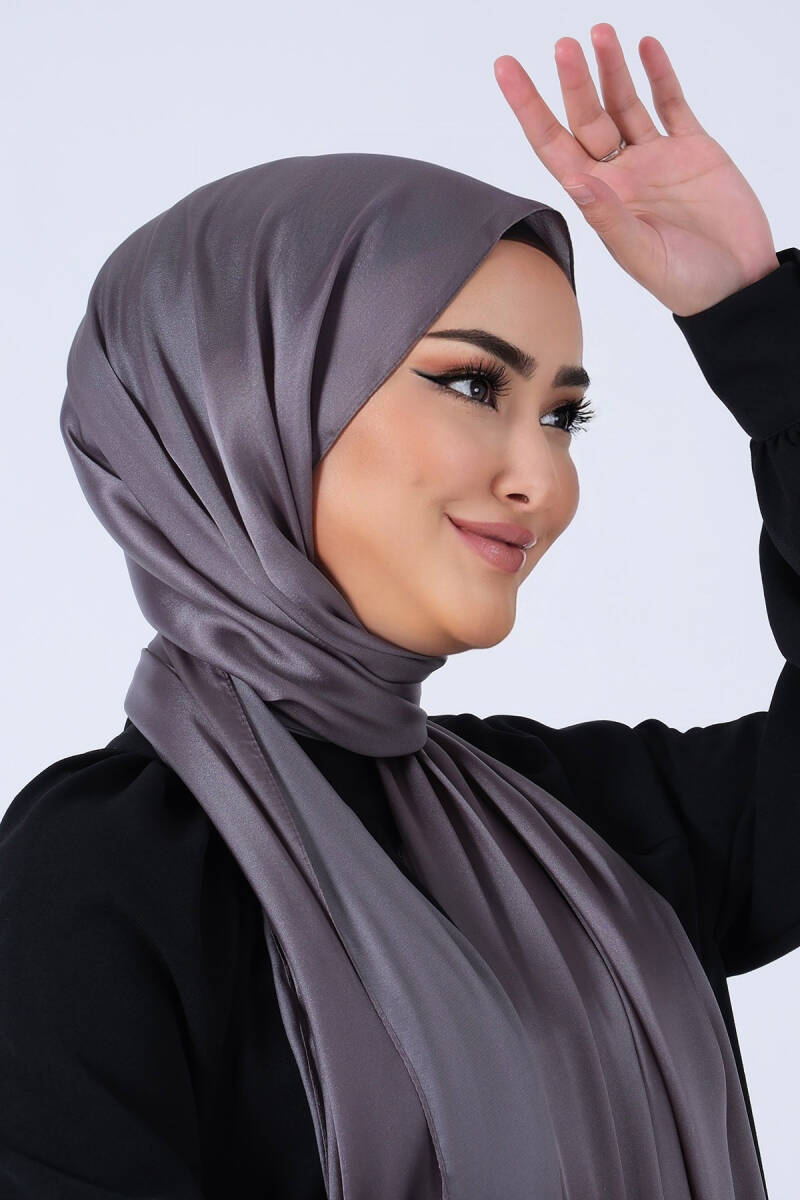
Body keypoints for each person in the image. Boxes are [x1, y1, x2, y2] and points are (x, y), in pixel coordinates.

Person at [1, 22, 796, 1199]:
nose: (543, 481)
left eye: (561, 417)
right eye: (472, 385)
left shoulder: (581, 828)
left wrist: (751, 314)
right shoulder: (100, 886)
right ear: (245, 399)